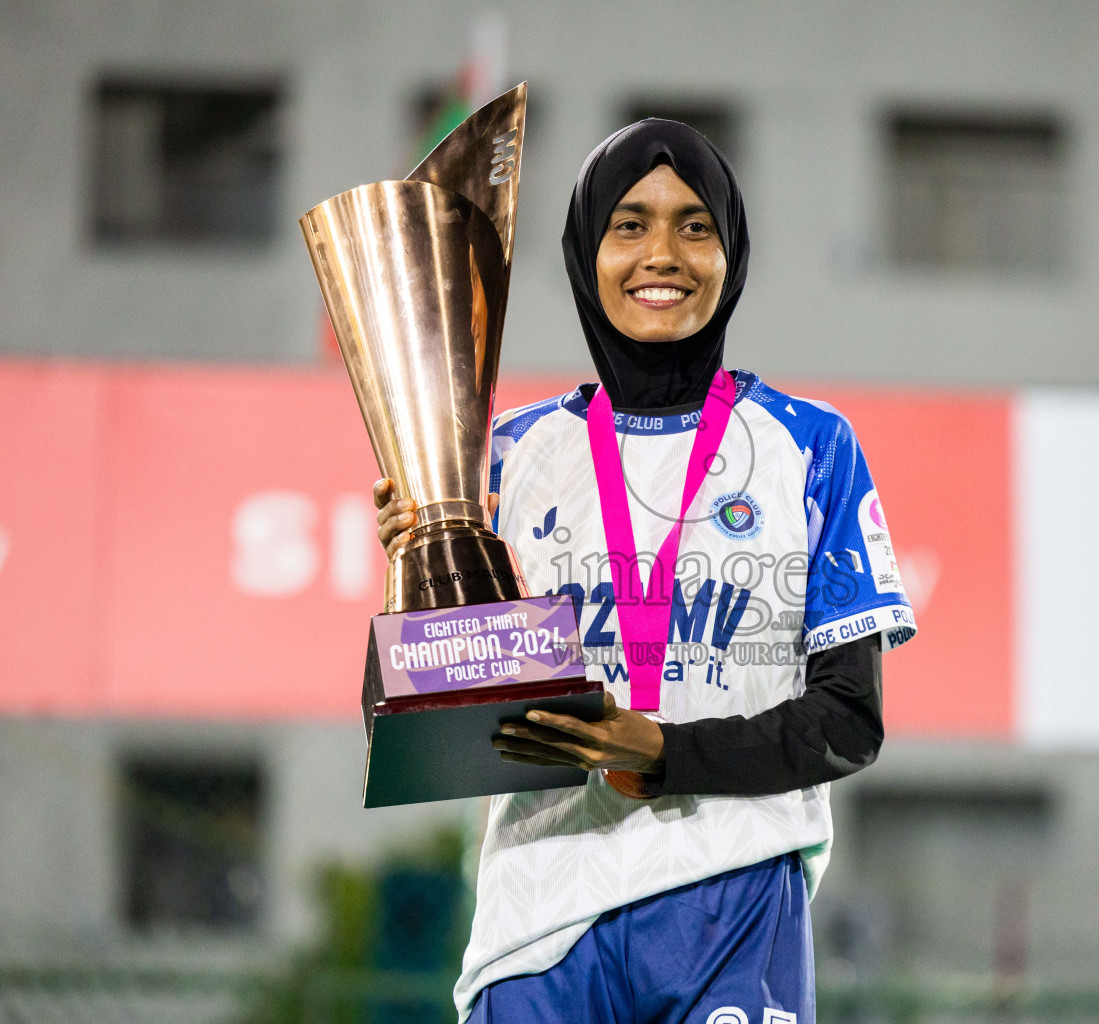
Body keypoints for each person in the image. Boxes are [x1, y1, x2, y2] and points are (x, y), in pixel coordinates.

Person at [373, 119, 917, 1024]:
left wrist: (665, 752)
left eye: (694, 225)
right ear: (586, 250)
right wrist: (427, 560)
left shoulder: (810, 446)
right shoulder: (501, 457)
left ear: (731, 254)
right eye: (629, 224)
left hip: (730, 892)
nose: (661, 253)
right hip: (537, 914)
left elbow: (848, 724)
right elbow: (468, 714)